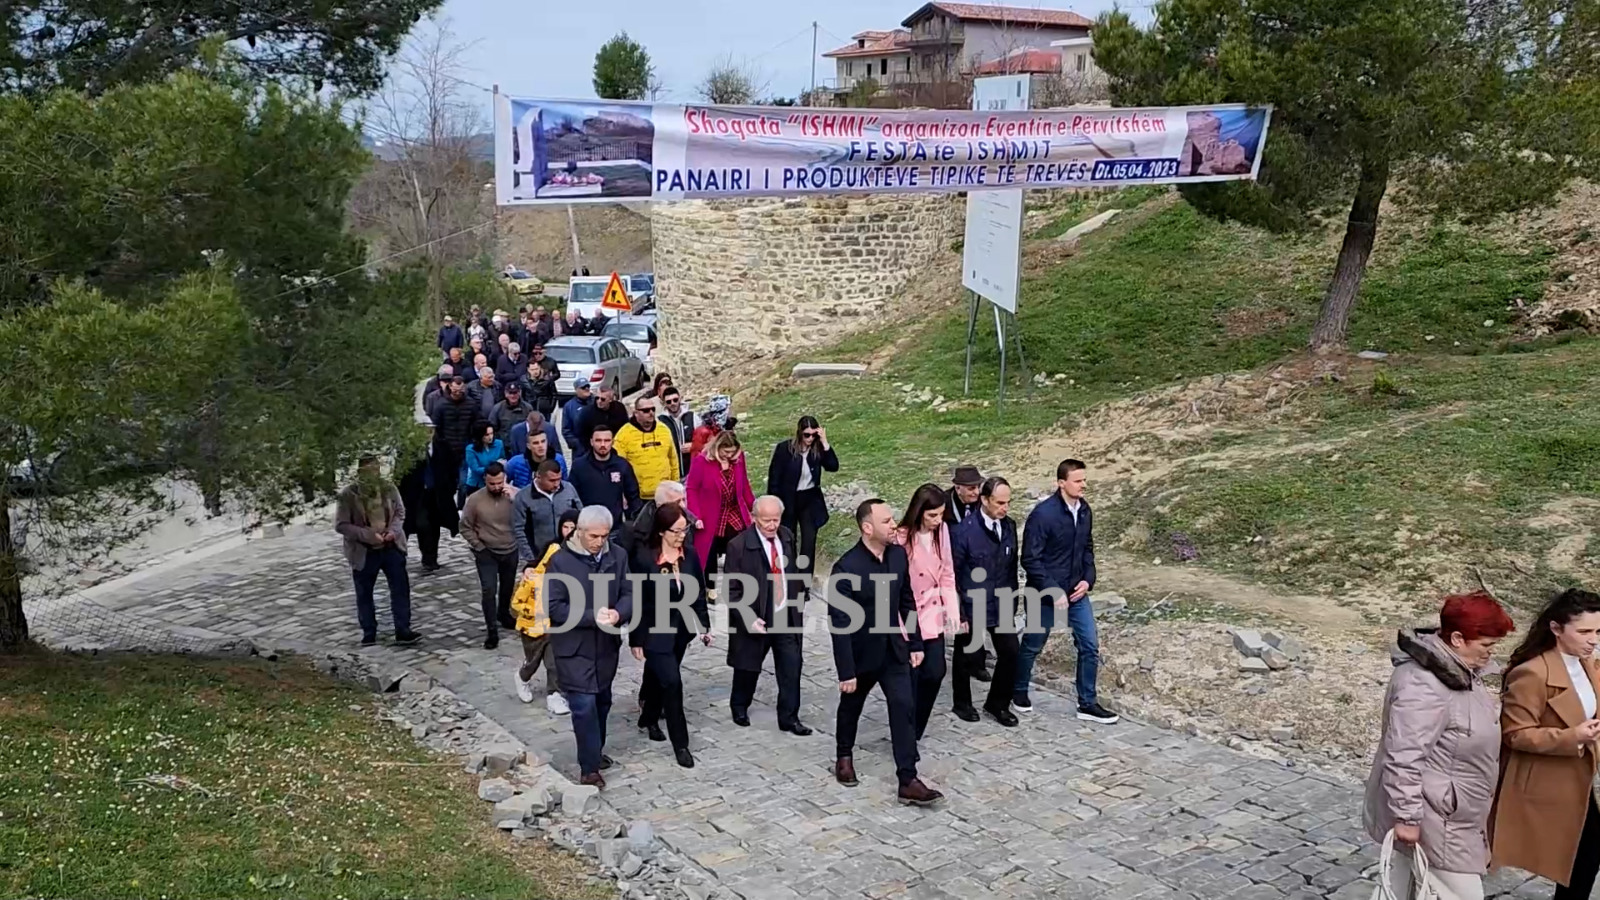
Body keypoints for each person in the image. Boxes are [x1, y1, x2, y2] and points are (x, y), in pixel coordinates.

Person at [1362, 591, 1514, 900]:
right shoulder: (1425, 684)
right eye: (1486, 645)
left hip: (1448, 811)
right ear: (1457, 639)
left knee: (1404, 888)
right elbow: (1404, 755)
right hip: (1437, 817)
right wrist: (1407, 817)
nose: (1490, 653)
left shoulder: (1459, 671)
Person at [828, 498, 944, 806]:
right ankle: (844, 755)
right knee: (851, 706)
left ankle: (908, 779)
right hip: (861, 653)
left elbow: (906, 600)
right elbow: (839, 625)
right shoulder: (846, 568)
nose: (894, 525)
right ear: (867, 528)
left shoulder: (897, 555)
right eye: (886, 521)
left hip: (894, 649)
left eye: (892, 519)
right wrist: (846, 672)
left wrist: (915, 643)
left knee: (904, 706)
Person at [1492, 587, 1600, 900]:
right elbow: (1514, 733)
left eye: (1598, 631)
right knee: (1582, 852)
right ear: (1556, 628)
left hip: (1578, 776)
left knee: (1585, 853)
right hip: (1546, 781)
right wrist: (1571, 737)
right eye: (1584, 632)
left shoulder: (1587, 663)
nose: (1593, 640)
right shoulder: (1532, 673)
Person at [1016, 458, 1118, 724]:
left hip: (1076, 592)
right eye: (1078, 481)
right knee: (1033, 644)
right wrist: (1052, 589)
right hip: (1043, 593)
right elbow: (1030, 559)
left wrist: (1088, 580)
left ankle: (1087, 703)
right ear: (1061, 483)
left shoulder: (1084, 510)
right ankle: (1018, 690)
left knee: (1089, 645)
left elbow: (1087, 549)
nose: (1084, 485)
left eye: (1085, 480)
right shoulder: (1043, 515)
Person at [545, 505, 634, 789]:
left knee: (602, 702)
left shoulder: (617, 555)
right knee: (583, 706)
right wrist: (592, 616)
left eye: (604, 536)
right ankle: (589, 768)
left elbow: (630, 592)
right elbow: (554, 607)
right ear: (579, 531)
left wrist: (619, 613)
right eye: (593, 536)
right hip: (574, 646)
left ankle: (594, 750)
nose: (599, 541)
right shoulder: (560, 561)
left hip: (605, 645)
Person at [629, 502, 712, 769]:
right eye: (676, 531)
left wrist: (704, 626)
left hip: (681, 630)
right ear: (661, 531)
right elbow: (637, 600)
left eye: (684, 529)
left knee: (659, 678)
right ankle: (681, 745)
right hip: (655, 631)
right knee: (673, 683)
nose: (682, 535)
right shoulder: (644, 558)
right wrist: (636, 639)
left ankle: (648, 717)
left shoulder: (690, 554)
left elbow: (698, 592)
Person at [723, 495, 810, 735]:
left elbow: (792, 571)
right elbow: (732, 590)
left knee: (791, 667)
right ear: (754, 518)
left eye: (776, 520)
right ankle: (739, 705)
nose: (772, 525)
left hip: (785, 614)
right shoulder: (738, 546)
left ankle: (789, 717)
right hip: (756, 615)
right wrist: (747, 616)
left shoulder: (787, 537)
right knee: (747, 667)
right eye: (766, 520)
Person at [892, 484, 962, 741]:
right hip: (908, 615)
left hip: (932, 613)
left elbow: (947, 573)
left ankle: (916, 728)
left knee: (935, 672)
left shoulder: (942, 532)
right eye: (932, 515)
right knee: (911, 677)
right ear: (919, 512)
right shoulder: (901, 538)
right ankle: (906, 733)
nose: (937, 520)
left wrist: (952, 611)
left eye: (941, 514)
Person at [950, 476, 1020, 726]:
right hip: (973, 603)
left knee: (1011, 652)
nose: (1005, 508)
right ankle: (962, 702)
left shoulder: (1009, 526)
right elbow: (954, 574)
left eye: (1008, 502)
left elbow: (1011, 568)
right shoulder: (963, 532)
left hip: (1001, 602)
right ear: (984, 500)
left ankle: (997, 703)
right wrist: (960, 612)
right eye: (1000, 503)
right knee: (965, 653)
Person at [335, 455, 420, 647]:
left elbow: (400, 512)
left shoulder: (388, 488)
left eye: (375, 470)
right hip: (364, 551)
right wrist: (368, 536)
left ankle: (403, 629)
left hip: (391, 547)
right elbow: (342, 525)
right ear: (360, 472)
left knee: (400, 589)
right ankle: (369, 631)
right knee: (364, 593)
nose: (373, 474)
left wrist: (393, 532)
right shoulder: (349, 494)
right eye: (368, 471)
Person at [510, 508, 576, 716]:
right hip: (535, 617)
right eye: (565, 527)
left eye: (573, 527)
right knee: (534, 658)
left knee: (554, 660)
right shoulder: (552, 547)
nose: (569, 531)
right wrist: (528, 570)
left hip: (557, 617)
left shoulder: (581, 554)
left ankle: (554, 695)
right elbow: (534, 565)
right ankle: (523, 676)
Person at [766, 415, 838, 578]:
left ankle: (805, 581)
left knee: (809, 541)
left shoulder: (818, 448)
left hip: (810, 499)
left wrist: (825, 442)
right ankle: (790, 577)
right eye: (807, 435)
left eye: (814, 435)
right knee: (788, 539)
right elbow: (774, 477)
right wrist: (774, 503)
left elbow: (833, 466)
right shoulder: (785, 449)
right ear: (799, 433)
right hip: (788, 499)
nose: (810, 439)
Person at [461, 462, 519, 649]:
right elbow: (465, 526)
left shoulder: (515, 495)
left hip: (511, 548)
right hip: (486, 551)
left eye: (499, 483)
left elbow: (527, 516)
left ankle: (504, 613)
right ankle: (491, 630)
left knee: (508, 586)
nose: (496, 487)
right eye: (492, 483)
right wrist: (478, 546)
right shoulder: (475, 500)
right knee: (489, 589)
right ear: (485, 480)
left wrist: (515, 500)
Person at [685, 430, 755, 581]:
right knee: (708, 555)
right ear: (717, 447)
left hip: (733, 512)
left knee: (739, 548)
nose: (729, 455)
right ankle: (709, 587)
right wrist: (696, 516)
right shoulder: (701, 461)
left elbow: (744, 485)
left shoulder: (738, 459)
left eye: (732, 452)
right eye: (726, 452)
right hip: (709, 516)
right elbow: (691, 489)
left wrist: (754, 508)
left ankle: (737, 582)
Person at [946, 464, 992, 683]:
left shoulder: (981, 503)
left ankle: (977, 661)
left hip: (976, 564)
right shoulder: (944, 505)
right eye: (971, 488)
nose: (976, 492)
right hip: (950, 563)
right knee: (962, 618)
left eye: (977, 487)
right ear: (957, 488)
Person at [397, 441, 456, 574]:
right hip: (417, 495)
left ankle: (431, 558)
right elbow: (401, 474)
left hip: (436, 494)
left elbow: (451, 467)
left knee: (435, 526)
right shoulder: (409, 449)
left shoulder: (441, 446)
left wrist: (450, 488)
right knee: (422, 524)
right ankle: (424, 555)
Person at [512, 459, 583, 566]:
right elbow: (519, 529)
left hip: (570, 552)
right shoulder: (523, 497)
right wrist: (531, 558)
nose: (556, 484)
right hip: (539, 556)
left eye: (559, 479)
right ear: (539, 477)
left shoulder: (569, 489)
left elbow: (582, 518)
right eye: (552, 480)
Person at [569, 423, 640, 525]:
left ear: (612, 442)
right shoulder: (579, 466)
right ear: (591, 442)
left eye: (607, 440)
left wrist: (632, 521)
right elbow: (572, 496)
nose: (603, 444)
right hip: (587, 525)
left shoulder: (622, 465)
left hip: (615, 525)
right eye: (598, 440)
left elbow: (633, 497)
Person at [614, 395, 680, 502]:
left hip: (665, 494)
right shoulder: (624, 434)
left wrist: (675, 485)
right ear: (636, 413)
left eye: (653, 409)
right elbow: (617, 466)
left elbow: (673, 459)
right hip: (638, 497)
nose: (651, 413)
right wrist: (621, 493)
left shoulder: (664, 430)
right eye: (646, 410)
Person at [429, 377, 480, 507]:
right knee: (448, 485)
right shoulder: (441, 405)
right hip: (446, 451)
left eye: (460, 390)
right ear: (450, 387)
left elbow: (477, 424)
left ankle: (461, 508)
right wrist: (441, 444)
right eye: (455, 390)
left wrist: (473, 441)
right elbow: (436, 427)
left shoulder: (471, 404)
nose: (458, 392)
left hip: (465, 449)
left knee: (463, 483)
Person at [622, 481, 698, 558]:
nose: (683, 505)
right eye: (677, 502)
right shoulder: (640, 532)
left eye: (683, 500)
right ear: (660, 505)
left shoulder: (688, 521)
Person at [458, 422, 503, 508]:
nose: (490, 437)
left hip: (496, 483)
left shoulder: (499, 444)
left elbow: (503, 460)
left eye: (492, 433)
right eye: (487, 435)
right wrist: (494, 466)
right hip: (477, 485)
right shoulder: (471, 449)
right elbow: (475, 469)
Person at [657, 386, 697, 475]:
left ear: (680, 399)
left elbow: (706, 441)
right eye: (669, 402)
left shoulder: (692, 416)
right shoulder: (660, 422)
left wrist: (694, 446)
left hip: (692, 471)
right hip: (671, 473)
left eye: (675, 400)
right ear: (664, 403)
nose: (673, 403)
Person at [577, 385, 630, 451]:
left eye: (603, 399)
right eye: (597, 398)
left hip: (616, 447)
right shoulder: (587, 412)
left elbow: (626, 428)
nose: (599, 401)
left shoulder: (619, 408)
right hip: (594, 449)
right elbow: (581, 435)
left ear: (610, 400)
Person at [525, 345, 560, 416]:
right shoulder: (530, 363)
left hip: (545, 404)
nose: (538, 355)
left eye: (540, 353)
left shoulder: (551, 362)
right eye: (535, 353)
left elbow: (554, 394)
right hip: (531, 404)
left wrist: (550, 378)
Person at [561, 382, 592, 457]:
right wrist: (575, 444)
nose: (586, 389)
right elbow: (566, 429)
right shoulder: (569, 406)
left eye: (588, 386)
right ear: (576, 390)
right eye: (583, 387)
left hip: (594, 446)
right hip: (579, 450)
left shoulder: (596, 402)